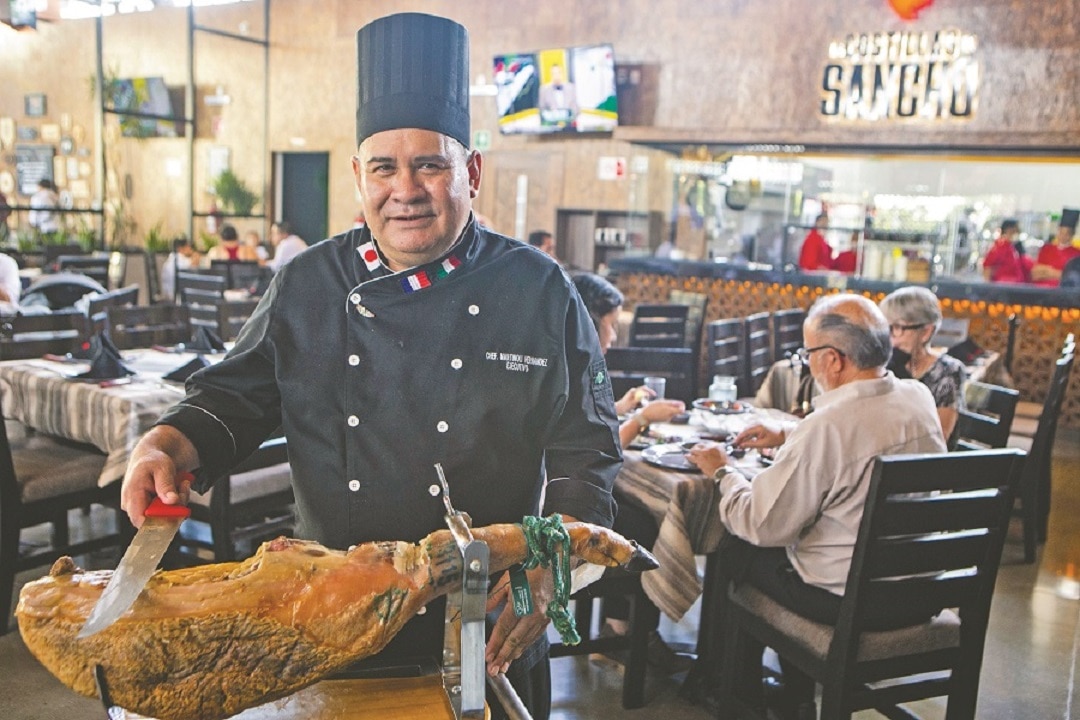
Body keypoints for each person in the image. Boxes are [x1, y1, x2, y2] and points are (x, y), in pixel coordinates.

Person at [119, 13, 621, 720]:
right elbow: (234, 397)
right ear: (359, 176)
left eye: (430, 164)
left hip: (486, 625)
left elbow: (589, 449)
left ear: (472, 171)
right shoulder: (308, 285)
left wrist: (554, 571)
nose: (405, 189)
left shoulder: (538, 290)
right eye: (384, 167)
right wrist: (166, 444)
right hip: (331, 622)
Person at [686, 294, 947, 717]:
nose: (806, 364)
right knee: (785, 545)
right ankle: (792, 697)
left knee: (737, 546)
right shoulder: (917, 399)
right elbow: (860, 444)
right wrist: (790, 436)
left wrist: (721, 471)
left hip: (849, 602)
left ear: (833, 360)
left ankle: (739, 698)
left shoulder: (827, 426)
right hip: (920, 593)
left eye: (808, 354)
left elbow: (760, 523)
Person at [572, 272, 689, 672]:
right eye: (612, 325)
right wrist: (640, 419)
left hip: (567, 495)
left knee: (635, 510)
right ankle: (628, 633)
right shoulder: (577, 363)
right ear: (592, 320)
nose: (614, 337)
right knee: (648, 524)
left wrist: (622, 407)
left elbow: (585, 424)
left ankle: (619, 625)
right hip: (564, 505)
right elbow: (593, 449)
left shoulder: (569, 357)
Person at [878, 286, 967, 445]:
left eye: (898, 328)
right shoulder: (883, 364)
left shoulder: (949, 371)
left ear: (926, 332)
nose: (890, 339)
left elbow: (939, 439)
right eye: (886, 328)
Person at [1031, 209, 1080, 287]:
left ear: (1072, 234)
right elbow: (1035, 274)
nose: (1063, 236)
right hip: (1041, 290)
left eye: (1067, 233)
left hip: (1063, 293)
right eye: (1061, 232)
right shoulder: (1046, 249)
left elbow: (1073, 279)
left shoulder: (1076, 254)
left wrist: (1048, 271)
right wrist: (1059, 273)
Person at [982, 218, 1028, 283]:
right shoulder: (999, 247)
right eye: (1016, 230)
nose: (1018, 232)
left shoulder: (1012, 247)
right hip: (1003, 288)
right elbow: (987, 269)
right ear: (1009, 230)